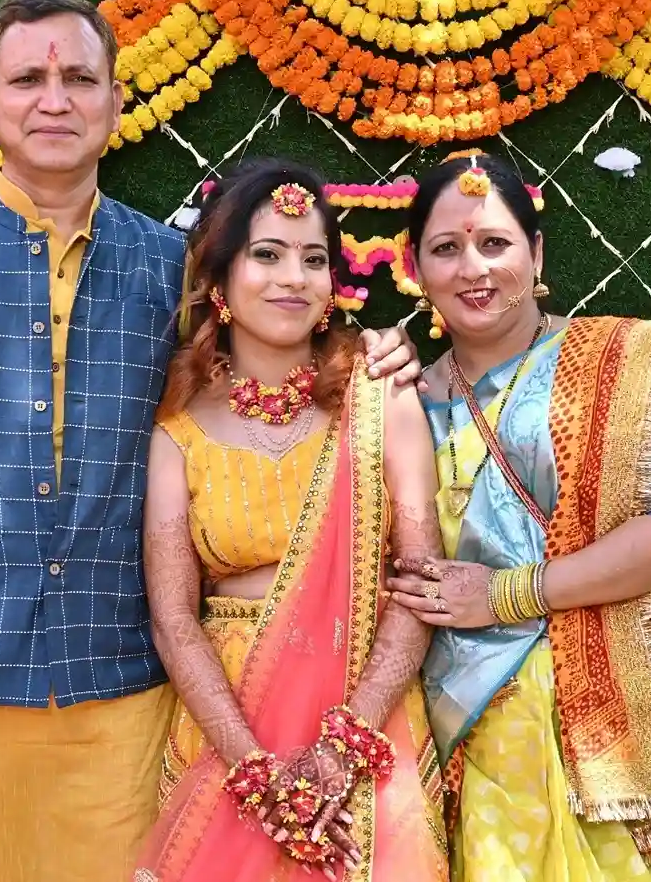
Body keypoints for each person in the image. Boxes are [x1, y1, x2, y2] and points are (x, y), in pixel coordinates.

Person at [0, 0, 422, 882]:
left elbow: (268, 365)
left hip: (119, 704)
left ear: (115, 102)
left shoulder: (168, 267)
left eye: (79, 78)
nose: (54, 99)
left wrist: (384, 354)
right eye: (27, 78)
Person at [383, 153, 651, 882]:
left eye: (495, 242)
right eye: (445, 249)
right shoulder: (399, 398)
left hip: (601, 737)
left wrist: (505, 595)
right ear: (415, 268)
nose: (472, 268)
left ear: (536, 252)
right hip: (462, 732)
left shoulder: (615, 365)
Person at [132, 159, 449, 882]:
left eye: (313, 259)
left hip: (366, 713)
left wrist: (342, 746)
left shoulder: (379, 395)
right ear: (220, 281)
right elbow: (174, 619)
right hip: (229, 723)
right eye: (267, 254)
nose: (293, 277)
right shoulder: (176, 428)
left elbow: (419, 582)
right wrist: (252, 766)